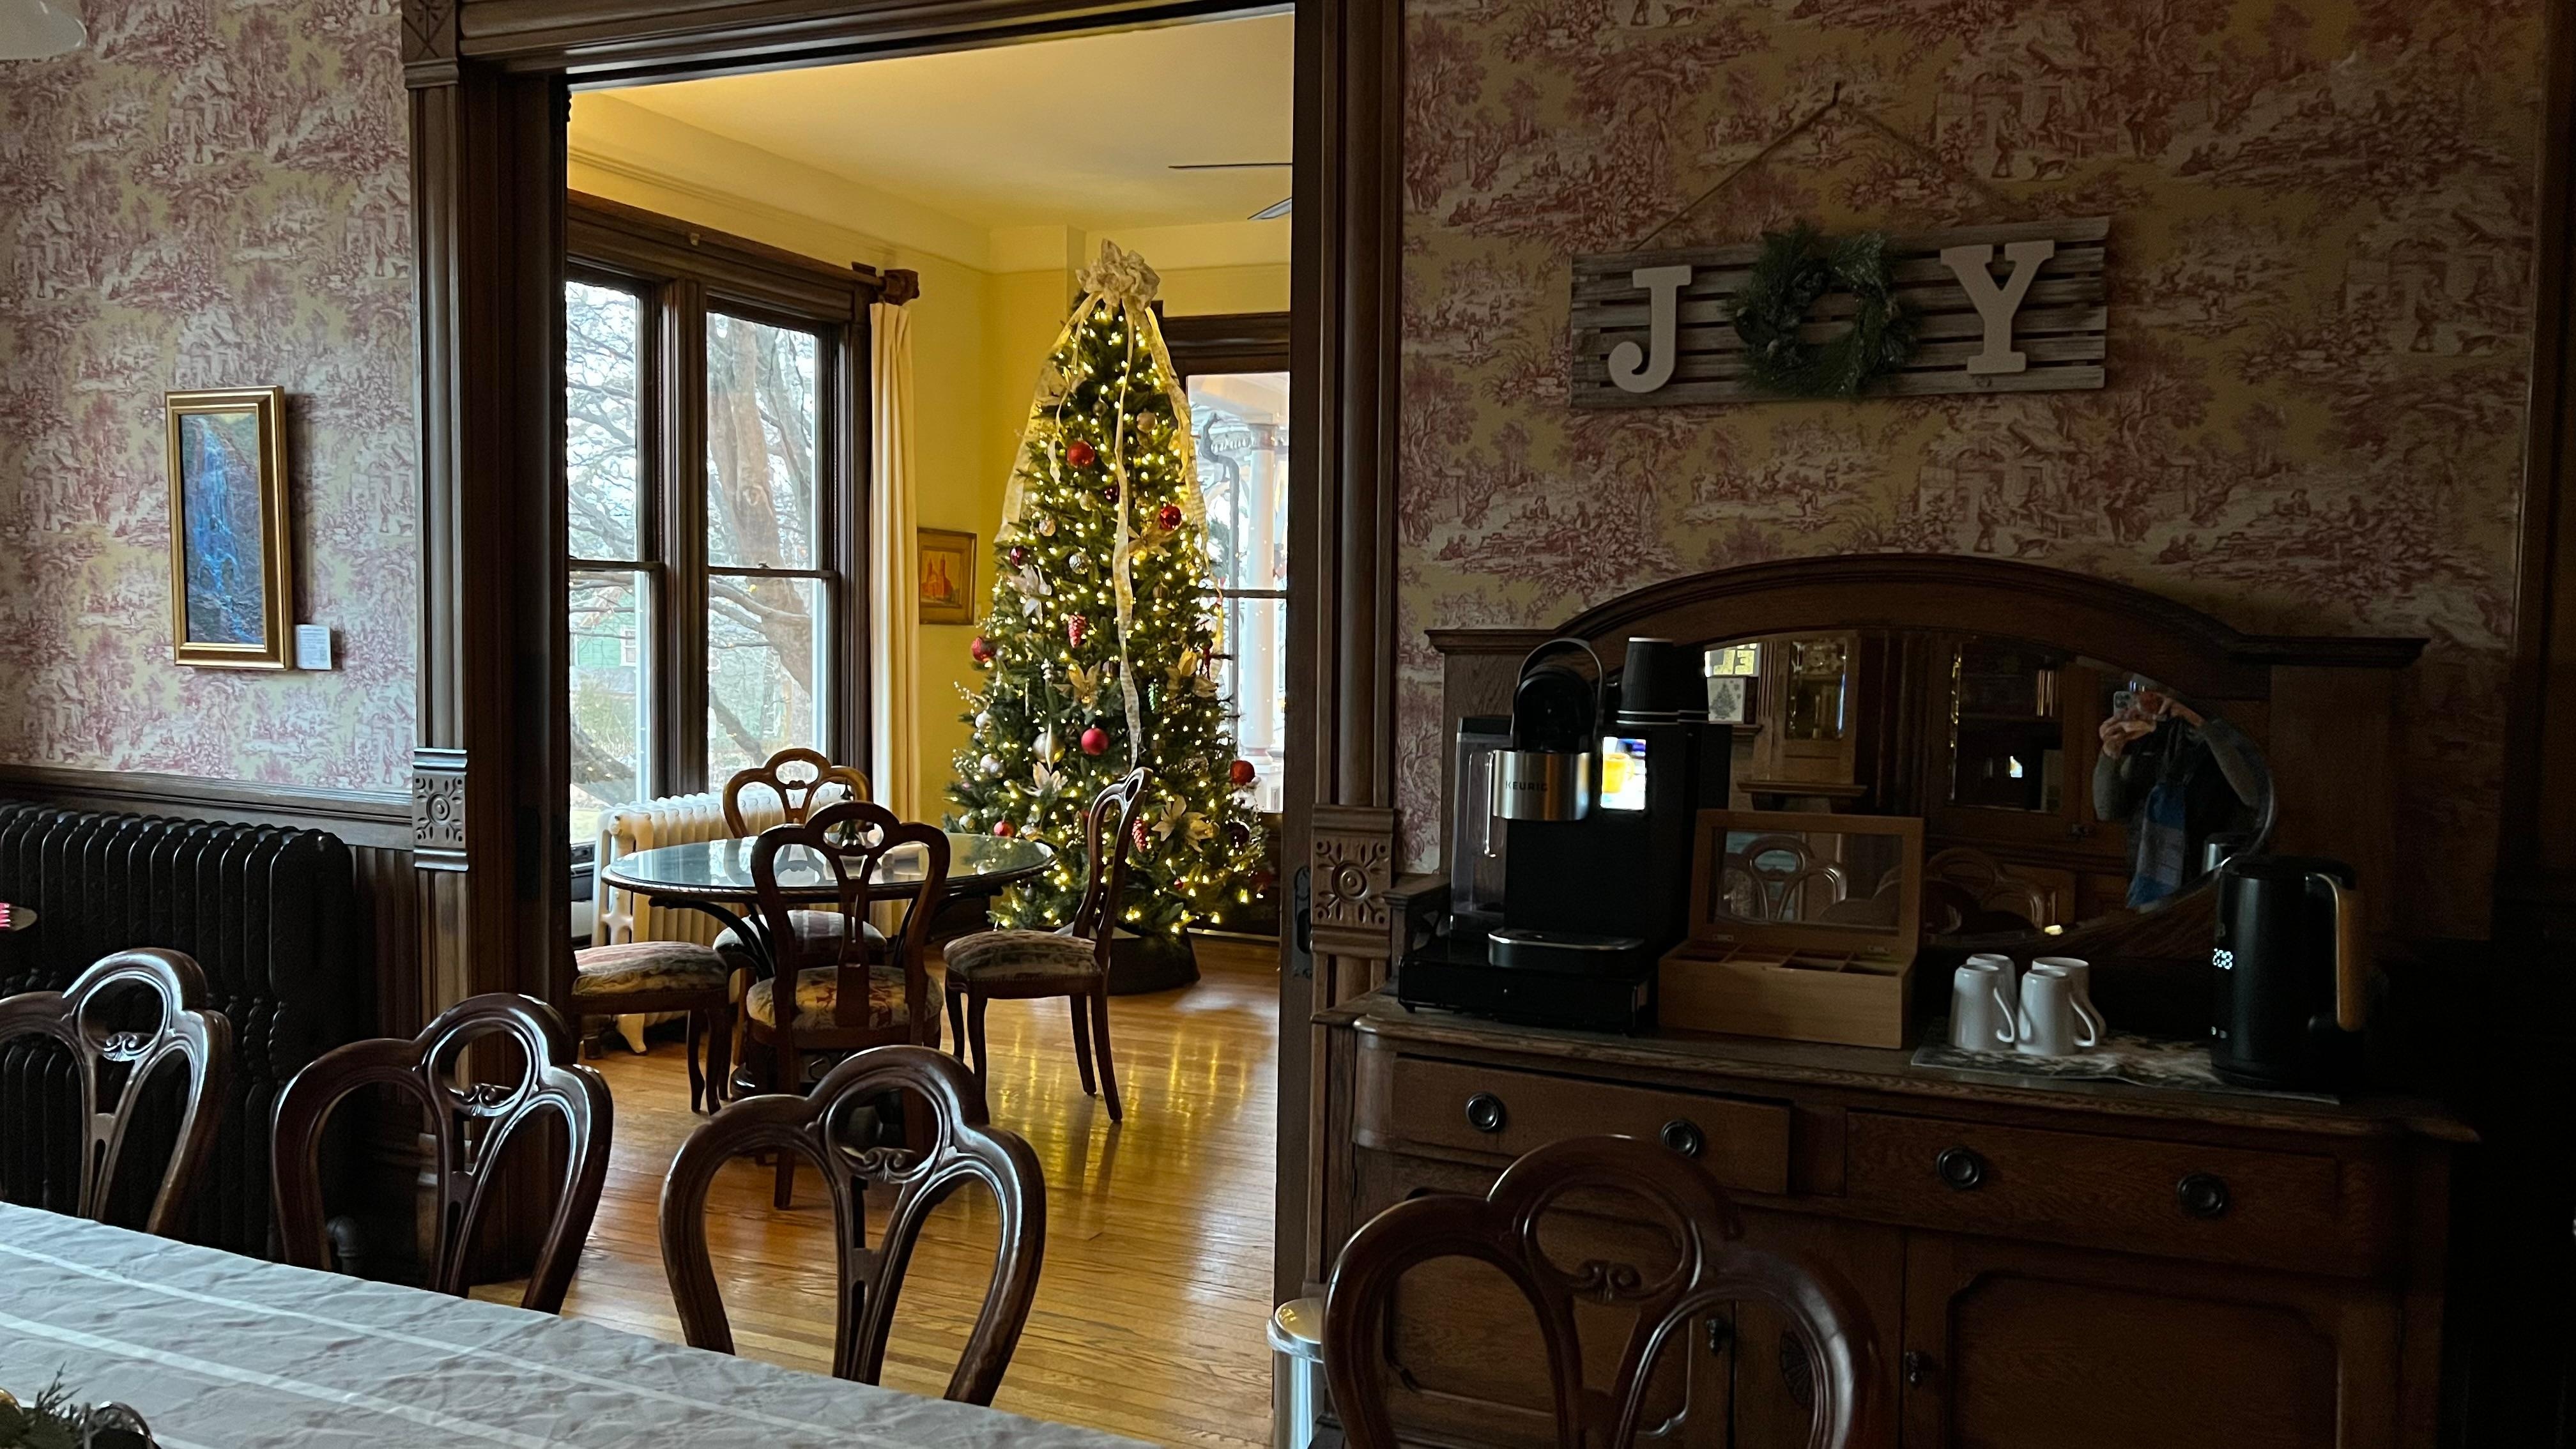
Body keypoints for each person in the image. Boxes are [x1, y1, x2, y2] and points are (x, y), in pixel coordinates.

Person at [2093, 679, 2267, 909]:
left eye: (2156, 694)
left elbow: (2253, 796)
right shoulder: (2153, 740)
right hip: (2149, 888)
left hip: (2211, 884)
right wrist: (2109, 755)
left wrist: (2200, 723)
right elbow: (2107, 810)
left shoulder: (2233, 734)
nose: (2146, 702)